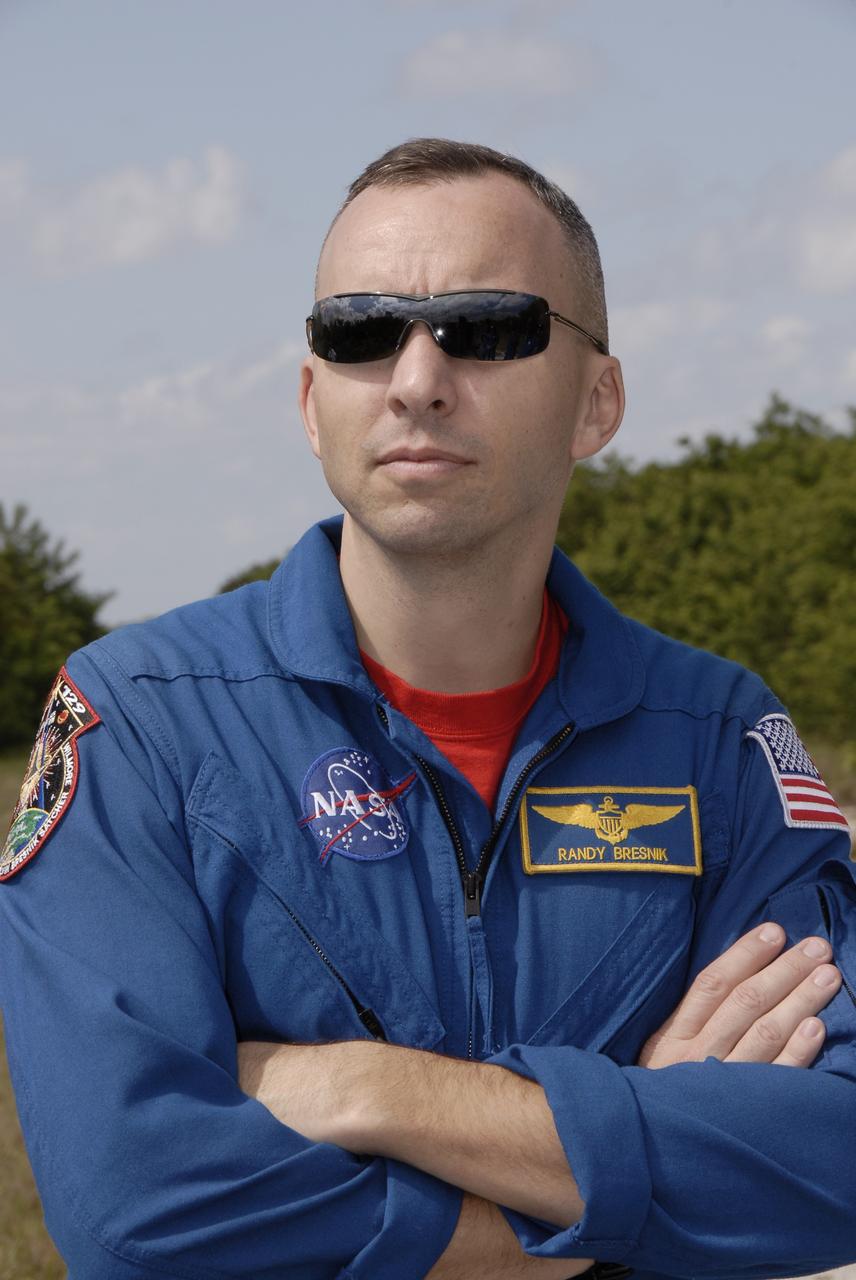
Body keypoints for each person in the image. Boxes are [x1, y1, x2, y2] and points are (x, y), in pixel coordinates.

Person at [1, 138, 854, 1280]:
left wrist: (373, 1088)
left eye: (487, 327)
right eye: (359, 333)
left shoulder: (722, 738)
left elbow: (835, 1154)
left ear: (597, 399)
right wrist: (581, 1211)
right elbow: (132, 1202)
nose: (414, 377)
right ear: (313, 402)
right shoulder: (137, 725)